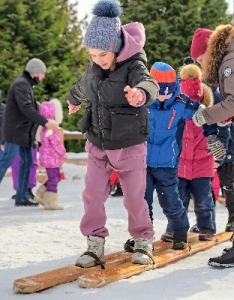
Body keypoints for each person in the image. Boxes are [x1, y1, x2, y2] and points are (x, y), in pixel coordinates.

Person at [68, 0, 158, 268]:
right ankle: (94, 244)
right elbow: (83, 86)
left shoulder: (133, 66)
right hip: (98, 142)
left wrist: (140, 93)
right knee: (92, 195)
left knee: (133, 199)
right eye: (92, 55)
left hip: (128, 143)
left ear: (116, 48)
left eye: (102, 56)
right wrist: (74, 99)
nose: (97, 60)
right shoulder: (95, 68)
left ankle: (142, 239)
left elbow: (148, 82)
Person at [0, 58, 58, 207]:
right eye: (42, 74)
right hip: (16, 132)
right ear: (34, 72)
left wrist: (44, 110)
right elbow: (26, 108)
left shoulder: (26, 84)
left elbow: (33, 106)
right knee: (5, 162)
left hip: (24, 132)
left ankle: (21, 197)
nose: (42, 77)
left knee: (28, 162)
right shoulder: (21, 84)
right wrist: (46, 122)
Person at [189, 26, 234, 267]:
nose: (201, 64)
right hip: (218, 145)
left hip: (224, 150)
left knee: (228, 185)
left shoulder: (228, 62)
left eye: (200, 59)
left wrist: (219, 154)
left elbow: (220, 130)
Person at [173, 63, 216, 241]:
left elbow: (215, 137)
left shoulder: (207, 115)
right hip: (180, 167)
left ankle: (207, 227)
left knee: (203, 201)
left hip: (202, 167)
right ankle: (175, 229)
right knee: (177, 201)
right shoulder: (175, 115)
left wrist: (218, 156)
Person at [34, 98, 66, 210]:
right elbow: (56, 143)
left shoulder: (43, 128)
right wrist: (63, 152)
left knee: (55, 178)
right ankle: (50, 203)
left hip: (48, 159)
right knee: (53, 180)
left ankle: (40, 194)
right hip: (52, 160)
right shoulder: (51, 128)